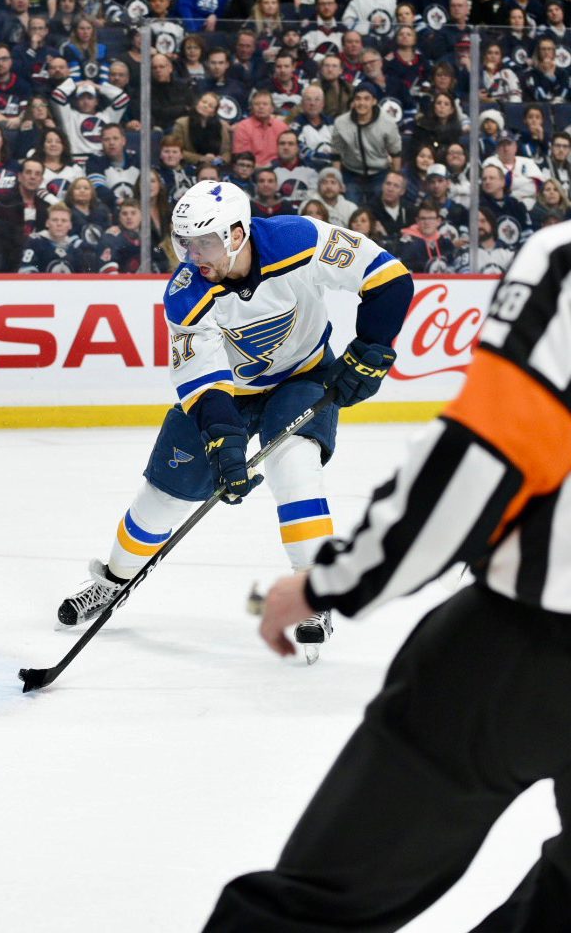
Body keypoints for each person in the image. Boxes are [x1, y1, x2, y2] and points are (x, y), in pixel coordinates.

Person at [208, 220, 571, 932]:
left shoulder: (563, 260)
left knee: (316, 904)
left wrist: (325, 584)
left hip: (530, 647)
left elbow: (480, 461)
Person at [56, 181, 413, 663]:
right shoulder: (186, 293)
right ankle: (114, 581)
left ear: (238, 233)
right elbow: (204, 382)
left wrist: (371, 347)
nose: (193, 255)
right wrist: (224, 446)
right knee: (163, 498)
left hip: (303, 375)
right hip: (229, 393)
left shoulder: (298, 239)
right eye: (185, 243)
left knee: (295, 465)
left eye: (205, 242)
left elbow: (388, 277)